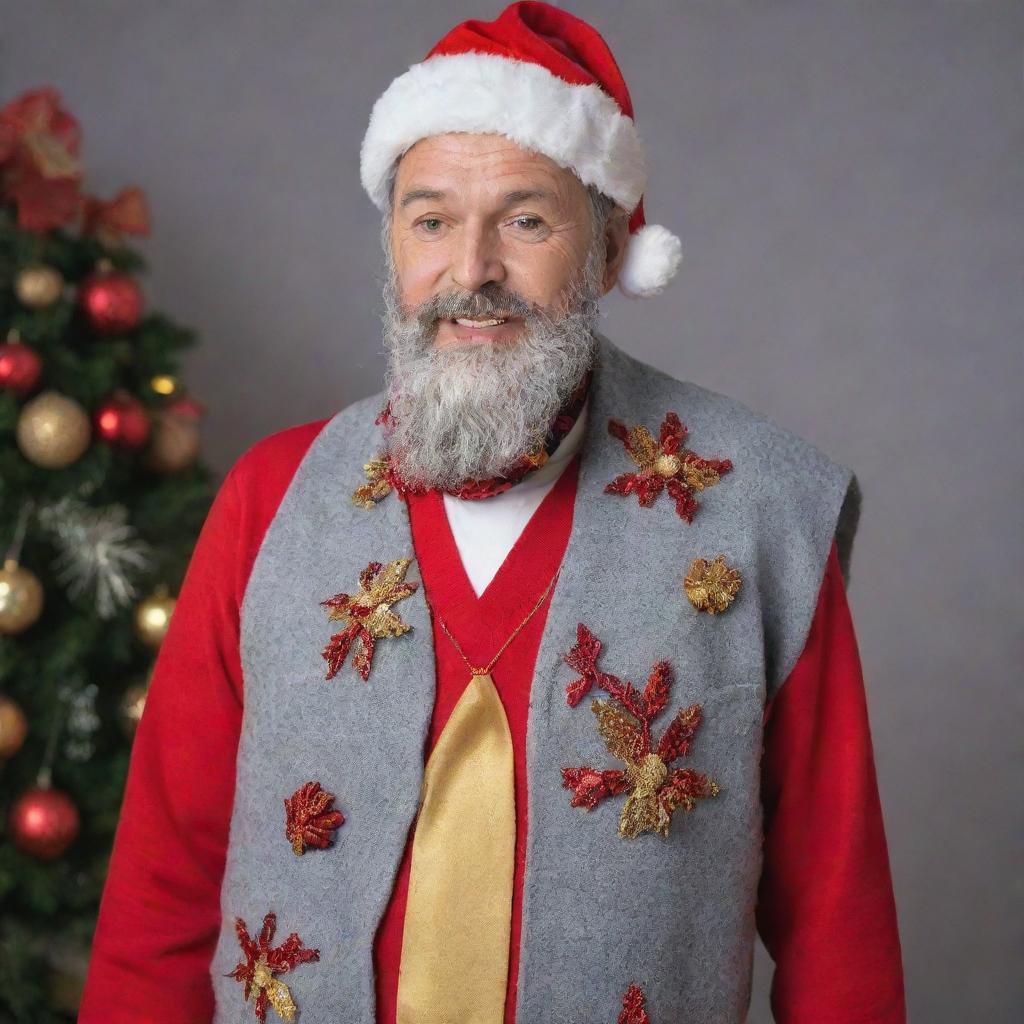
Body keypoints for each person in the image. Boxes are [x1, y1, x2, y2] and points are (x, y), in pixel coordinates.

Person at [79, 3, 906, 1022]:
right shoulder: (271, 501)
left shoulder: (762, 513)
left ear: (607, 252)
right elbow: (160, 904)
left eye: (525, 219)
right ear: (393, 244)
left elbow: (839, 931)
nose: (470, 272)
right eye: (431, 220)